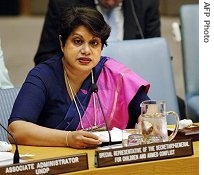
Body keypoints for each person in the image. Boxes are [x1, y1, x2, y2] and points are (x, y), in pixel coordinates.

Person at [8, 7, 150, 149]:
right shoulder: (43, 76)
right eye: (77, 41)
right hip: (61, 161)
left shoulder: (114, 74)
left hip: (110, 161)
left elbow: (149, 109)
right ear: (62, 43)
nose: (86, 51)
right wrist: (67, 139)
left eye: (94, 43)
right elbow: (16, 130)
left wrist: (149, 121)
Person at [34, 0, 161, 65]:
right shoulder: (63, 3)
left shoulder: (146, 3)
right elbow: (45, 57)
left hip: (131, 84)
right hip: (81, 85)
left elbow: (156, 58)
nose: (110, 2)